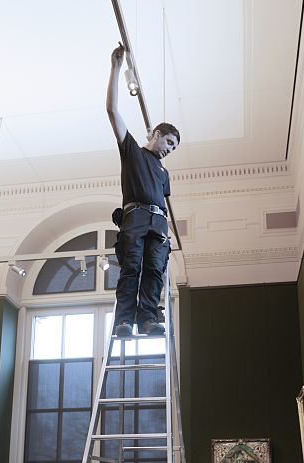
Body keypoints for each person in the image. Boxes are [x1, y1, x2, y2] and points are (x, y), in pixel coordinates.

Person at [106, 42, 180, 337]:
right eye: (169, 143)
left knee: (154, 270)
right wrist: (114, 68)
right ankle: (124, 321)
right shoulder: (133, 152)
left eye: (174, 147)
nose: (170, 150)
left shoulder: (164, 173)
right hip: (134, 217)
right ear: (157, 135)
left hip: (158, 223)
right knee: (131, 268)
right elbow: (112, 110)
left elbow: (163, 204)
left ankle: (148, 318)